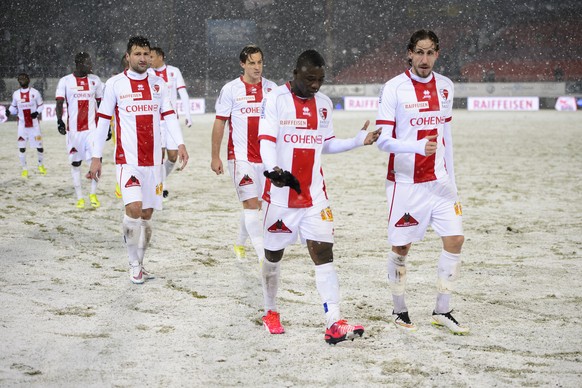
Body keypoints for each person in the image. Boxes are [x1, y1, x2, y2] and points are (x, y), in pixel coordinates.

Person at [258, 49, 380, 344]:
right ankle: (270, 311)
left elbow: (326, 144)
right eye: (310, 79)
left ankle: (334, 321)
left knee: (324, 254)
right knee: (273, 257)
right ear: (296, 73)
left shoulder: (324, 104)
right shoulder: (275, 98)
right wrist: (272, 170)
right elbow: (266, 140)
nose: (315, 85)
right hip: (280, 198)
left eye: (320, 80)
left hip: (314, 195)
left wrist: (356, 141)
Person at [375, 29, 469, 335]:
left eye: (430, 53)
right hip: (406, 183)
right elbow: (383, 142)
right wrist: (416, 147)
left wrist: (452, 180)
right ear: (409, 53)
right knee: (401, 247)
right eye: (419, 52)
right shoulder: (394, 89)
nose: (424, 59)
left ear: (437, 54)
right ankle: (399, 309)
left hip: (440, 182)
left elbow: (447, 138)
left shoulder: (446, 87)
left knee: (455, 240)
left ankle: (442, 310)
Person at [89, 36, 189, 285]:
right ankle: (133, 264)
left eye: (146, 54)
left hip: (155, 161)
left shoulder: (158, 84)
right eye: (137, 54)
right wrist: (96, 157)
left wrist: (180, 144)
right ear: (127, 56)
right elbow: (102, 121)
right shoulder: (115, 84)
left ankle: (141, 263)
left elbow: (168, 117)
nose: (143, 58)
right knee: (133, 210)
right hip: (128, 160)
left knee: (146, 214)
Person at [211, 44, 277, 264]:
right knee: (250, 205)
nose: (257, 67)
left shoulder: (272, 89)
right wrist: (215, 156)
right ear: (242, 64)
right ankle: (262, 257)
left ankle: (239, 243)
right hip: (240, 158)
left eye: (260, 62)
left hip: (267, 158)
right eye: (252, 63)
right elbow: (220, 122)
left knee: (258, 205)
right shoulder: (230, 89)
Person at [55, 52, 105, 209]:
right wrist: (59, 121)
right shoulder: (65, 81)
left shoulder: (95, 81)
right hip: (73, 131)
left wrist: (106, 127)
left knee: (96, 162)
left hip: (92, 130)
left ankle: (92, 194)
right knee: (76, 163)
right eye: (88, 63)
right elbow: (59, 103)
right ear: (78, 63)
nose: (91, 65)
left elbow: (101, 104)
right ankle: (80, 198)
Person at [148, 46, 192, 200]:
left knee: (173, 157)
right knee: (158, 156)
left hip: (170, 121)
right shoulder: (147, 73)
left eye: (151, 57)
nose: (149, 60)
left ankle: (158, 181)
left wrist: (188, 114)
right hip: (155, 122)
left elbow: (183, 93)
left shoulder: (174, 71)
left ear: (161, 57)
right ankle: (161, 187)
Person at [7, 73, 46, 178]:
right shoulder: (16, 94)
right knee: (22, 148)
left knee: (40, 147)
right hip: (22, 126)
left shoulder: (35, 93)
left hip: (34, 126)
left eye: (24, 78)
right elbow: (13, 107)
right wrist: (8, 111)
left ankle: (40, 165)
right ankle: (24, 169)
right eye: (20, 79)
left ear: (28, 80)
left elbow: (41, 105)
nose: (22, 80)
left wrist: (37, 112)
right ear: (18, 81)